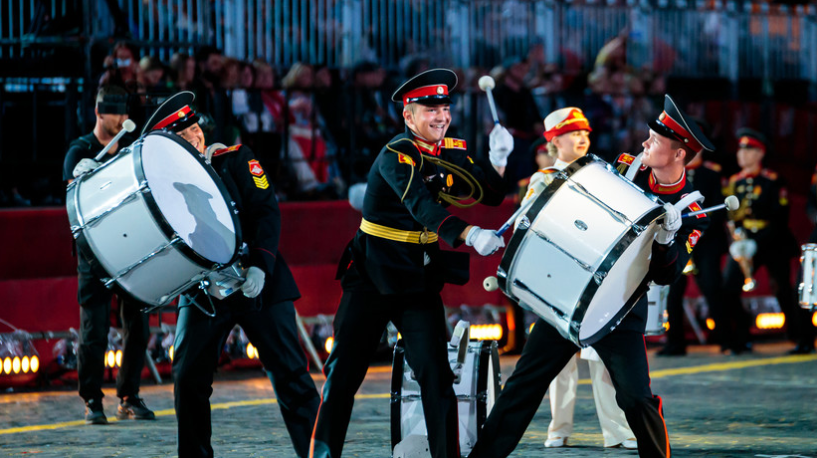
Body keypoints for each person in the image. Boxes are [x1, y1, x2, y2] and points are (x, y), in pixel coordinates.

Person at [468, 94, 712, 458]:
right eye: (648, 135)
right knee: (524, 383)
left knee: (635, 397)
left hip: (621, 306)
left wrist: (665, 240)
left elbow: (667, 276)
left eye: (656, 141)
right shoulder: (626, 166)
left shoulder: (691, 210)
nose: (644, 143)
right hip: (572, 291)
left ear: (679, 154)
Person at [308, 69, 513, 458]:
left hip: (418, 278)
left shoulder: (450, 150)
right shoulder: (396, 155)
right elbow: (422, 205)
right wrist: (470, 235)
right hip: (373, 273)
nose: (441, 117)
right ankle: (323, 454)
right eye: (429, 110)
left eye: (445, 108)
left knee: (436, 375)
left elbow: (488, 194)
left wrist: (498, 161)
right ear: (408, 115)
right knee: (344, 374)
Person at [142, 92, 321, 457]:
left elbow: (267, 212)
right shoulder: (161, 189)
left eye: (195, 129)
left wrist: (260, 265)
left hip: (258, 281)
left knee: (292, 376)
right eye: (182, 135)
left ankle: (319, 453)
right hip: (203, 289)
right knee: (188, 377)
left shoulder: (236, 158)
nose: (194, 137)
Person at [518, 107, 636, 450]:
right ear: (555, 141)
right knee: (559, 361)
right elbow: (529, 228)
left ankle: (617, 431)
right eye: (573, 133)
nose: (582, 138)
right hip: (557, 278)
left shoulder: (600, 174)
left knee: (602, 359)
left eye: (585, 132)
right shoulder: (542, 179)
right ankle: (559, 428)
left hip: (594, 278)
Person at [64, 85, 154, 425]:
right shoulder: (80, 150)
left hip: (130, 248)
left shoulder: (130, 150)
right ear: (100, 113)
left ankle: (129, 395)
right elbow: (70, 201)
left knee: (139, 328)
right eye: (117, 112)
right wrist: (79, 178)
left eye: (126, 112)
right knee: (94, 332)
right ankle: (91, 399)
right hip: (95, 255)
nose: (124, 118)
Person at [720, 129, 815, 355]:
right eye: (740, 149)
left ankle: (799, 335)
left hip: (772, 242)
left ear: (760, 153)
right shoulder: (734, 182)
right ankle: (742, 336)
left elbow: (780, 218)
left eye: (748, 150)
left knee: (783, 289)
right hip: (744, 243)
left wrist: (758, 243)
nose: (741, 154)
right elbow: (730, 216)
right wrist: (738, 239)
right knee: (729, 287)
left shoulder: (773, 180)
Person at [659, 126, 728, 356]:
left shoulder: (711, 174)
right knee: (673, 291)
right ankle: (675, 342)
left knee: (711, 287)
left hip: (706, 242)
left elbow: (718, 211)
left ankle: (727, 338)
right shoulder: (671, 174)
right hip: (678, 241)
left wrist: (697, 228)